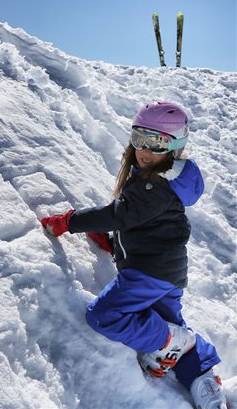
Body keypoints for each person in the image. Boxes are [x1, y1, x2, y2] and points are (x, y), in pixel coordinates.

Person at [41, 102, 226, 409]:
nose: (144, 149)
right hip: (165, 271)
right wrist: (115, 246)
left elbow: (120, 215)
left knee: (104, 316)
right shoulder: (163, 181)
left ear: (175, 146)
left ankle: (170, 342)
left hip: (149, 272)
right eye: (139, 137)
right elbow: (144, 226)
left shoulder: (155, 185)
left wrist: (71, 221)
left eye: (157, 142)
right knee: (169, 321)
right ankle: (201, 377)